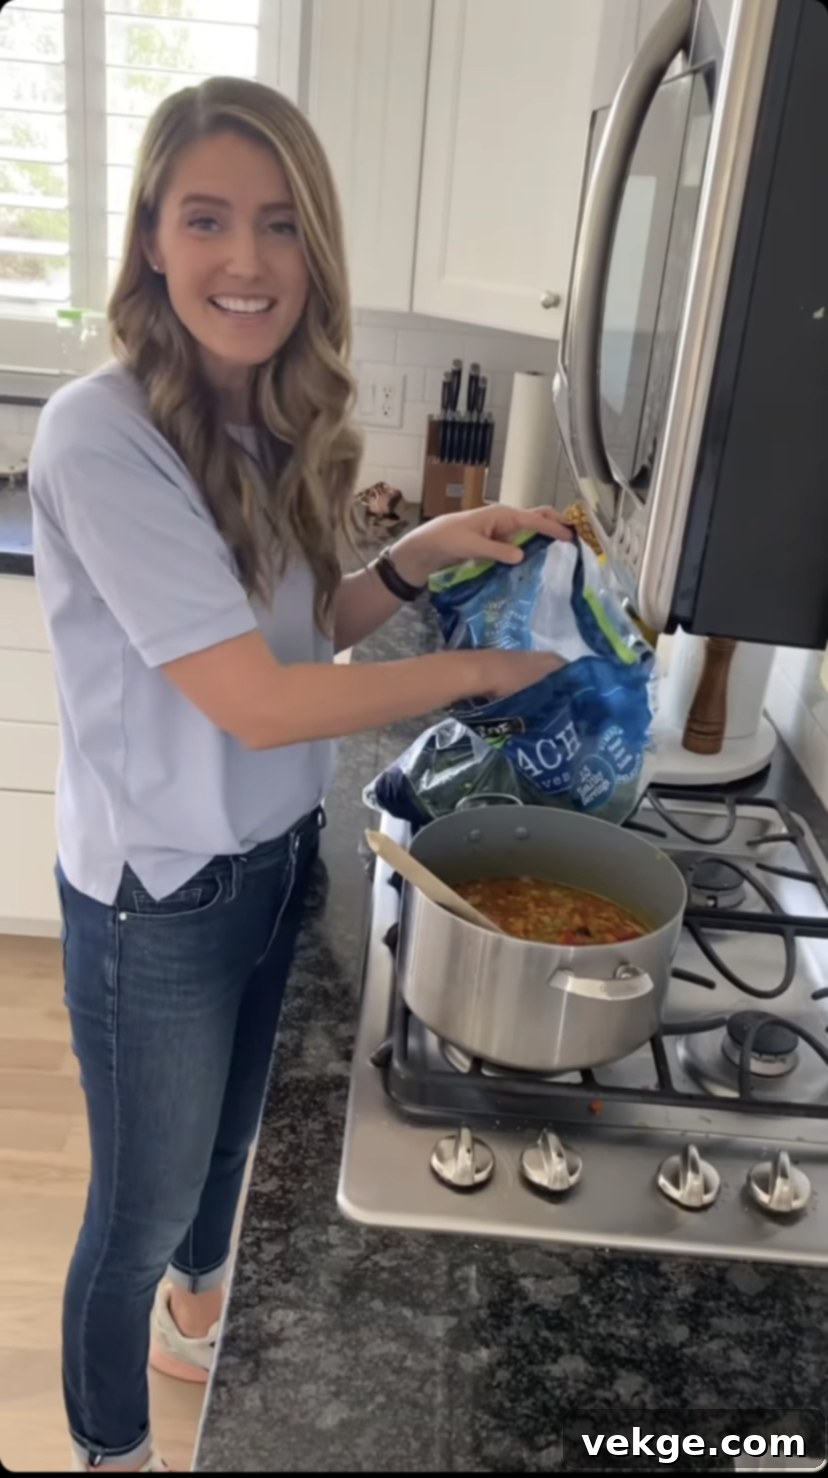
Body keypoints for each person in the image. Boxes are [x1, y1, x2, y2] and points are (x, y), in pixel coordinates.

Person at [28, 75, 571, 1473]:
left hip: (275, 858)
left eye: (279, 225)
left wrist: (426, 549)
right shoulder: (100, 432)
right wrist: (472, 673)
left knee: (229, 1153)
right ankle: (108, 1446)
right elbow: (262, 702)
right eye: (206, 218)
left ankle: (193, 1323)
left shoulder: (272, 414)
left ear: (313, 250)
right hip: (158, 896)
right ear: (152, 235)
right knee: (139, 1205)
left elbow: (303, 623)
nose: (247, 259)